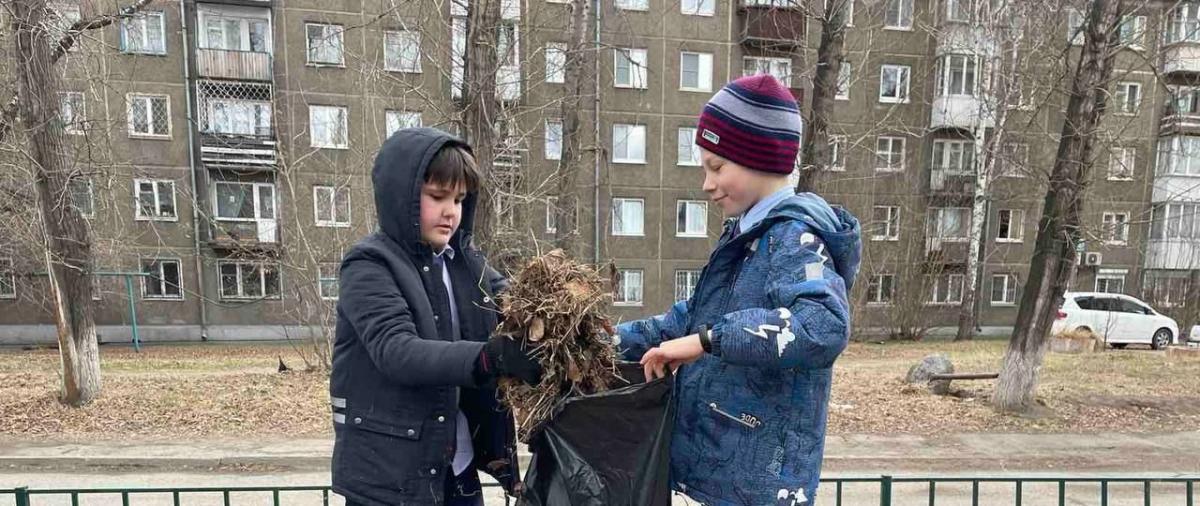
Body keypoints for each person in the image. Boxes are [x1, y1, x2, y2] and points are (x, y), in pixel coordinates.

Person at [616, 75, 862, 505]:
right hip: (716, 478)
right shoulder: (746, 237)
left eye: (717, 166)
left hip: (757, 489)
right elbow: (688, 320)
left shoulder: (793, 238)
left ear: (760, 159)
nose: (706, 183)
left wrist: (707, 341)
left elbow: (822, 325)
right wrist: (603, 340)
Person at [330, 128, 542, 506]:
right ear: (403, 197)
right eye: (437, 196)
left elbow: (518, 305)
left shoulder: (465, 264)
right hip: (390, 482)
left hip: (455, 470)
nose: (451, 212)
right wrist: (489, 357)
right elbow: (397, 351)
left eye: (459, 200)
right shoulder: (369, 265)